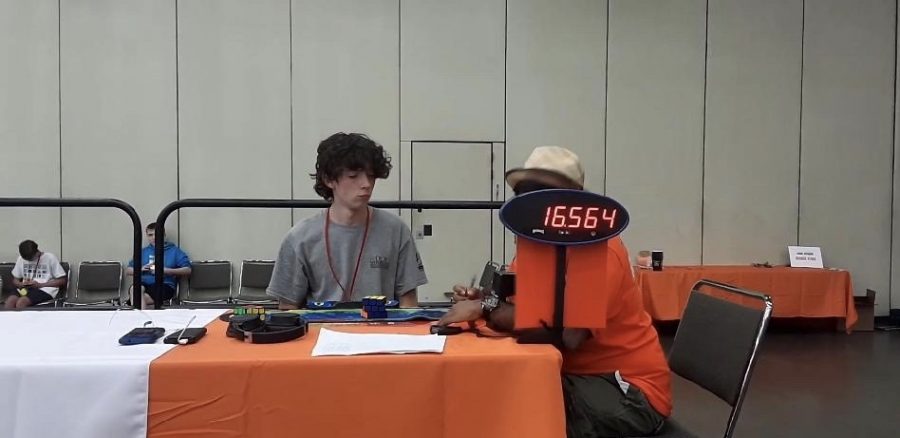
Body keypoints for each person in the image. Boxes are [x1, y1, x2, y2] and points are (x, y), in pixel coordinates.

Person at [438, 146, 672, 438]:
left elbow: (567, 335)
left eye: (542, 192)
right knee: (493, 395)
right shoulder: (534, 245)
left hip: (628, 389)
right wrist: (484, 300)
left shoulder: (598, 249)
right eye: (525, 194)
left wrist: (488, 309)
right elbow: (523, 311)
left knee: (513, 411)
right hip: (574, 375)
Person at [267, 132, 428, 309]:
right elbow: (288, 308)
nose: (366, 184)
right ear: (329, 180)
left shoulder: (396, 231)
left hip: (382, 333)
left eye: (371, 176)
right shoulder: (299, 238)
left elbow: (409, 303)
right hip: (321, 332)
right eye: (353, 176)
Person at [126, 223, 192, 307]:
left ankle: (138, 318)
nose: (154, 237)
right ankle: (142, 318)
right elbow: (128, 270)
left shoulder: (174, 251)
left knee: (137, 299)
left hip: (164, 285)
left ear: (163, 235)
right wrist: (141, 269)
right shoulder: (143, 251)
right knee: (134, 289)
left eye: (157, 234)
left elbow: (188, 270)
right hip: (145, 284)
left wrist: (165, 270)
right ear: (147, 236)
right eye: (150, 235)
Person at [5, 240, 67, 309]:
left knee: (21, 302)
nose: (28, 260)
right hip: (25, 288)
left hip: (45, 289)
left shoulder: (50, 258)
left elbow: (62, 280)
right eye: (25, 259)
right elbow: (15, 279)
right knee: (10, 302)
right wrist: (20, 284)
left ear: (37, 253)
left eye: (30, 259)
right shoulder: (21, 259)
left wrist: (40, 285)